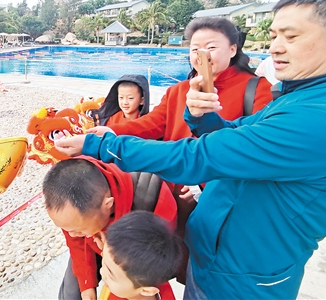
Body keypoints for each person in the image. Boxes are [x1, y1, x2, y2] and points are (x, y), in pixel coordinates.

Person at [54, 0, 326, 299]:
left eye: (291, 36)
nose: (274, 47)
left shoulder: (321, 119)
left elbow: (201, 157)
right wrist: (201, 117)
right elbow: (231, 137)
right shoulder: (298, 98)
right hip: (217, 259)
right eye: (274, 36)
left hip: (243, 279)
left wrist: (102, 146)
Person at [90, 17, 273, 283]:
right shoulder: (179, 90)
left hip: (222, 200)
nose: (201, 55)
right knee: (176, 261)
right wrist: (112, 131)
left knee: (210, 267)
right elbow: (152, 124)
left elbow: (251, 152)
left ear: (233, 49)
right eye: (194, 48)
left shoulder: (257, 90)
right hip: (173, 193)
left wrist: (205, 188)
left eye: (211, 47)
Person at [42, 158, 178, 300]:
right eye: (66, 228)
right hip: (104, 251)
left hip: (127, 264)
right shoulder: (74, 198)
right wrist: (86, 284)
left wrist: (108, 254)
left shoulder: (154, 201)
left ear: (108, 204)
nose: (72, 234)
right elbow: (77, 242)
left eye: (79, 230)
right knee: (71, 295)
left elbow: (147, 272)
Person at [99, 211, 182, 300]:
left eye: (110, 274)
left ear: (146, 291)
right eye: (103, 260)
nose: (101, 272)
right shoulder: (146, 277)